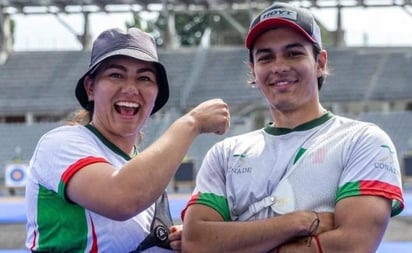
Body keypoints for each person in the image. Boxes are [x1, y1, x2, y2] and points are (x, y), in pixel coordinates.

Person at [181, 2, 405, 253]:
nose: (279, 67)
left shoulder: (363, 141)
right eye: (266, 57)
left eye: (293, 53)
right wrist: (299, 223)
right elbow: (196, 242)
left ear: (320, 62)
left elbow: (352, 245)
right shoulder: (224, 153)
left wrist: (236, 238)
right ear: (253, 71)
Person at [24, 27, 230, 252]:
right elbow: (121, 199)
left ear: (156, 95)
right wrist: (192, 122)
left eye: (144, 78)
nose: (131, 89)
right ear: (90, 88)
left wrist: (168, 239)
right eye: (116, 75)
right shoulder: (60, 143)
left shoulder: (143, 173)